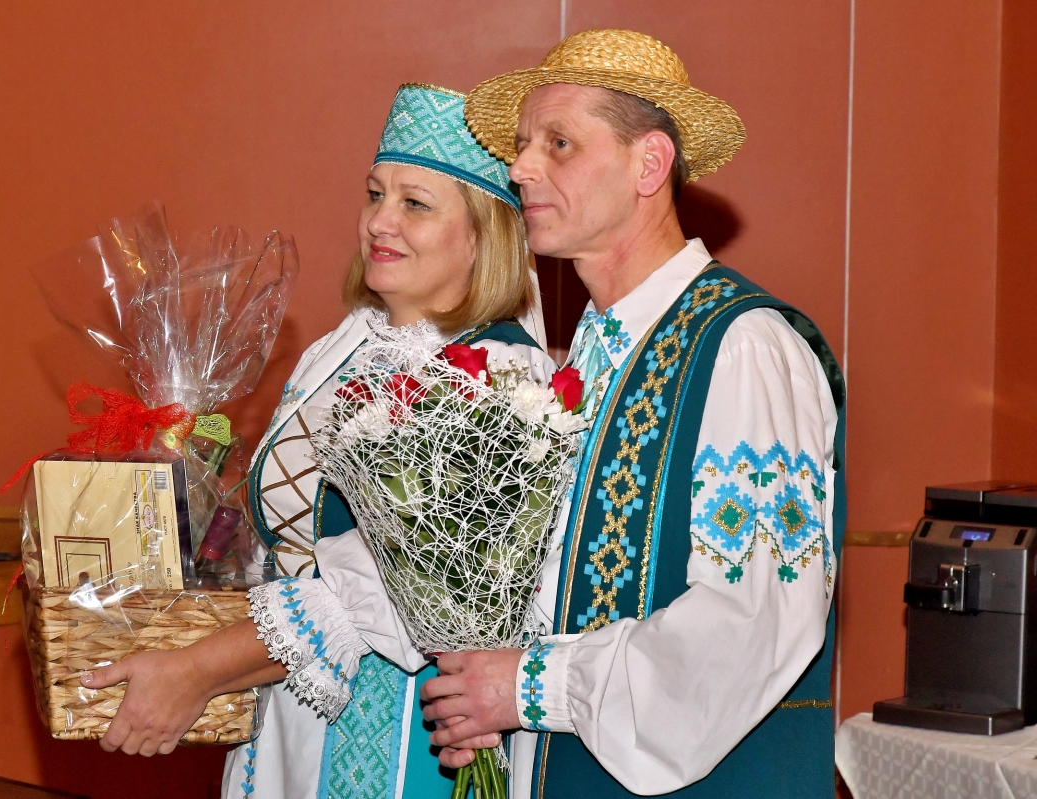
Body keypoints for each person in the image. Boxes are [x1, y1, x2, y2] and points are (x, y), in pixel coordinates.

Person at [252, 29, 845, 797]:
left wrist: (527, 686)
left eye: (558, 143)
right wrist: (489, 688)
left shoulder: (742, 346)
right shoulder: (583, 364)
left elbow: (756, 618)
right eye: (524, 146)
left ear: (649, 164)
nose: (521, 167)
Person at [82, 82, 555, 799]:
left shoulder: (501, 378)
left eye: (415, 203)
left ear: (484, 235)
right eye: (375, 194)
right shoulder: (346, 343)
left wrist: (198, 669)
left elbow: (380, 589)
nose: (379, 222)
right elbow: (289, 534)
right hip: (285, 710)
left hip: (403, 731)